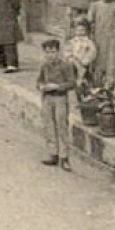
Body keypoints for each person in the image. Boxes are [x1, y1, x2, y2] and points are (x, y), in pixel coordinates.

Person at [36, 38, 77, 170]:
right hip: (47, 98)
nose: (50, 55)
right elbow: (39, 81)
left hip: (60, 98)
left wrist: (57, 86)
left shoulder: (66, 66)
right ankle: (53, 154)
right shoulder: (44, 66)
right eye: (47, 52)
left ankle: (65, 157)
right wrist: (41, 86)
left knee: (62, 126)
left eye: (53, 52)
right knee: (49, 125)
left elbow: (72, 83)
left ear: (58, 52)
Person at [66, 17, 99, 89]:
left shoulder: (88, 42)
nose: (80, 32)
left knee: (82, 67)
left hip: (84, 63)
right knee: (72, 63)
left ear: (86, 31)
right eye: (78, 30)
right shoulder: (72, 41)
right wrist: (69, 57)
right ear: (74, 31)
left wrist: (86, 60)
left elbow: (93, 52)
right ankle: (74, 81)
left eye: (82, 30)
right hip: (73, 62)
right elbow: (67, 51)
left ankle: (81, 79)